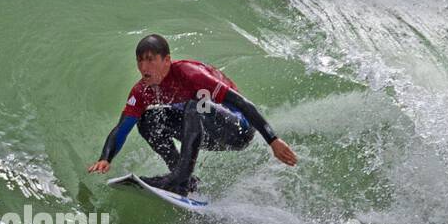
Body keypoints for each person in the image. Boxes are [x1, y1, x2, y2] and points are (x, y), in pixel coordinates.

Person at [87, 34, 297, 195]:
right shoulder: (142, 90)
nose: (144, 67)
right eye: (140, 61)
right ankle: (185, 179)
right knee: (146, 121)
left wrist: (273, 139)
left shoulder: (191, 74)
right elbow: (122, 128)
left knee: (194, 105)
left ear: (167, 60)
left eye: (150, 60)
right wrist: (106, 158)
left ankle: (180, 178)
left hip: (236, 130)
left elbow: (242, 103)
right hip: (205, 135)